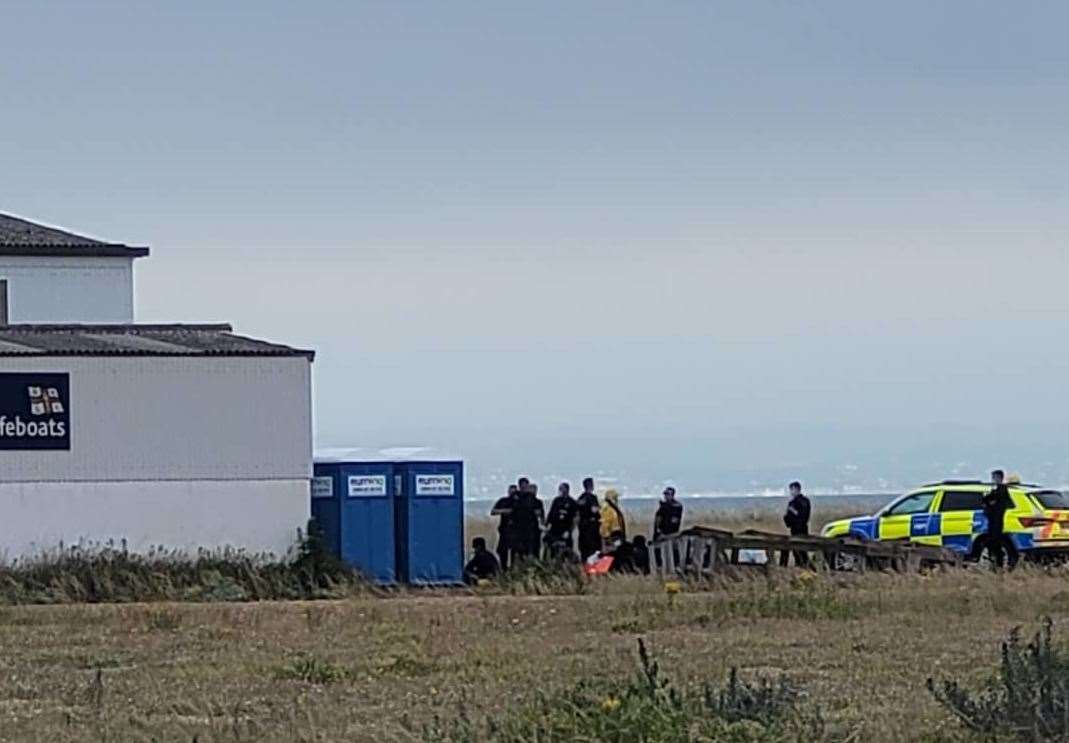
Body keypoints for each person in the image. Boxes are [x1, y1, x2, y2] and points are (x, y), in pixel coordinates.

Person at [982, 469, 1014, 569]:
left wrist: (987, 501)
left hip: (998, 523)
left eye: (994, 477)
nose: (993, 479)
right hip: (995, 523)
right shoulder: (996, 490)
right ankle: (996, 564)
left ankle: (998, 565)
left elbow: (994, 502)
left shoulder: (1001, 490)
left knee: (995, 543)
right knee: (993, 544)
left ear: (999, 478)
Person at [511, 478, 544, 561]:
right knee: (518, 551)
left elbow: (539, 513)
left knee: (531, 551)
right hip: (518, 528)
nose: (524, 488)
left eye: (525, 486)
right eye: (522, 486)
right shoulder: (515, 497)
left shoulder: (532, 498)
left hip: (531, 528)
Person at [544, 481, 578, 558]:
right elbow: (551, 514)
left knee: (566, 551)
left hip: (565, 529)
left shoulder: (572, 502)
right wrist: (547, 525)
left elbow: (575, 518)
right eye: (560, 489)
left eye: (562, 489)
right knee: (552, 549)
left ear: (567, 489)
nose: (560, 490)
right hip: (554, 529)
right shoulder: (557, 500)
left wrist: (569, 530)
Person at [782, 481, 811, 568]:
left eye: (792, 489)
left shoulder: (794, 503)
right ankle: (804, 566)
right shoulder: (806, 501)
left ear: (796, 489)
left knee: (798, 550)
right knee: (802, 550)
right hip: (803, 528)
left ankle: (801, 566)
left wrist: (789, 516)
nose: (791, 492)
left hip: (796, 529)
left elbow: (791, 517)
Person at [490, 485, 519, 571]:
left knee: (515, 552)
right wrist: (505, 511)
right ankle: (504, 569)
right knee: (503, 552)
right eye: (511, 491)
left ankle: (513, 569)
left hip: (516, 531)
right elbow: (493, 511)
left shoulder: (520, 502)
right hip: (505, 530)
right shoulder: (503, 501)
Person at [576, 477, 602, 560]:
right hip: (592, 527)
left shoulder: (580, 498)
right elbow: (594, 510)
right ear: (591, 486)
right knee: (593, 549)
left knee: (584, 549)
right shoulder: (592, 498)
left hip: (582, 526)